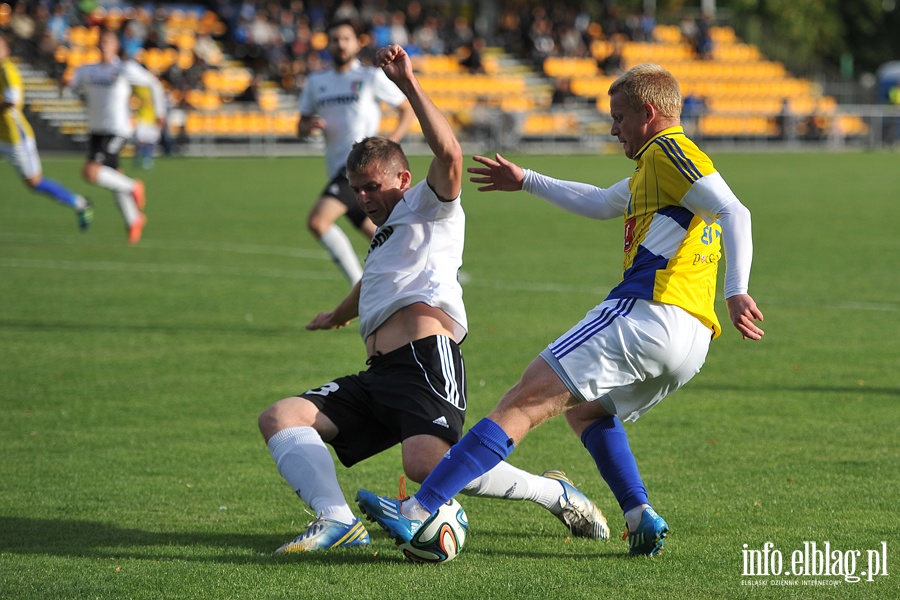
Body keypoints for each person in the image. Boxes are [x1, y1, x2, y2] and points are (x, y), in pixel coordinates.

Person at [358, 63, 765, 557]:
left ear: (650, 113)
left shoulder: (668, 149)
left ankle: (420, 509)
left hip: (649, 313)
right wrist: (526, 179)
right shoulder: (653, 171)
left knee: (523, 399)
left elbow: (735, 210)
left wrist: (737, 289)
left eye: (619, 117)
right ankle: (639, 515)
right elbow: (599, 202)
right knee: (588, 414)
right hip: (692, 341)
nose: (614, 129)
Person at [257, 43, 611, 554]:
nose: (363, 198)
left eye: (371, 186)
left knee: (425, 466)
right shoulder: (385, 234)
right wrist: (337, 314)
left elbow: (450, 154)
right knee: (280, 417)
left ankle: (553, 492)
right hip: (380, 373)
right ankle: (337, 521)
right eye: (356, 190)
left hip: (426, 358)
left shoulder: (428, 205)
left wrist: (408, 84)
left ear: (403, 179)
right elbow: (375, 284)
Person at [298, 19, 415, 285]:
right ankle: (417, 272)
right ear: (327, 43)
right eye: (335, 39)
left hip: (362, 167)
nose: (340, 44)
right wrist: (309, 126)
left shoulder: (369, 77)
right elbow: (300, 125)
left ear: (356, 43)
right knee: (385, 237)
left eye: (346, 38)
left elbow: (406, 110)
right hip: (343, 174)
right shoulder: (317, 82)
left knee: (318, 221)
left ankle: (359, 289)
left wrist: (389, 146)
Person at [67, 29, 166, 244]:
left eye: (108, 41)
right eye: (101, 41)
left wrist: (160, 113)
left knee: (91, 172)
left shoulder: (123, 68)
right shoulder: (86, 71)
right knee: (113, 177)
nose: (104, 45)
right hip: (96, 130)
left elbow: (153, 83)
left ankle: (134, 187)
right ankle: (134, 219)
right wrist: (65, 86)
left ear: (116, 46)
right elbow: (71, 89)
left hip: (118, 130)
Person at [0, 34, 93, 230]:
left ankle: (79, 203)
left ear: (6, 51)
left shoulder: (7, 70)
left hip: (15, 138)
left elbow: (12, 101)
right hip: (1, 135)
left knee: (34, 182)